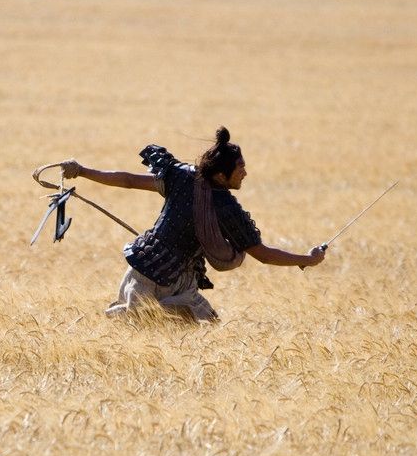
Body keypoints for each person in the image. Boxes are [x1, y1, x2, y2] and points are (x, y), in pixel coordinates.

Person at [60, 126, 326, 321]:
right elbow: (263, 255)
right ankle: (127, 315)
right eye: (240, 168)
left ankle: (129, 315)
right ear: (221, 175)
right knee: (185, 327)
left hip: (149, 275)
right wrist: (307, 259)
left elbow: (129, 181)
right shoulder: (223, 205)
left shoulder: (182, 177)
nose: (245, 173)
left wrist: (82, 170)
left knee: (144, 328)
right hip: (162, 283)